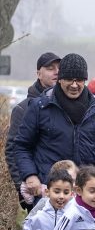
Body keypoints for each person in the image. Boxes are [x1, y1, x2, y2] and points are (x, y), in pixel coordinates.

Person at [15, 53, 95, 199]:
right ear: (60, 79)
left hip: (86, 193)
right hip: (49, 192)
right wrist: (30, 175)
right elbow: (22, 146)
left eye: (79, 80)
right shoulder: (40, 107)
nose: (74, 85)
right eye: (69, 79)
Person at [6, 52, 60, 206]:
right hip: (37, 191)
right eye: (50, 68)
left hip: (65, 190)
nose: (56, 72)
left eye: (59, 68)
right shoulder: (23, 109)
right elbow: (13, 150)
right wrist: (22, 189)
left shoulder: (67, 106)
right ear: (38, 73)